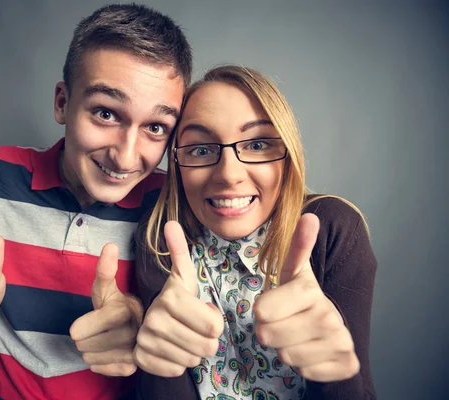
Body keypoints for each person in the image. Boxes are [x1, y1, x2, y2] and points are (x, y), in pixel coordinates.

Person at [0, 4, 192, 399]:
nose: (125, 157)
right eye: (106, 113)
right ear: (62, 103)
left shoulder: (169, 203)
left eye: (155, 127)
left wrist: (140, 322)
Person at [132, 66, 377, 399]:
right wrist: (162, 362)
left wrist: (333, 368)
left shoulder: (332, 230)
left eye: (258, 144)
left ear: (287, 155)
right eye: (201, 150)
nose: (229, 175)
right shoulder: (160, 243)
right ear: (177, 165)